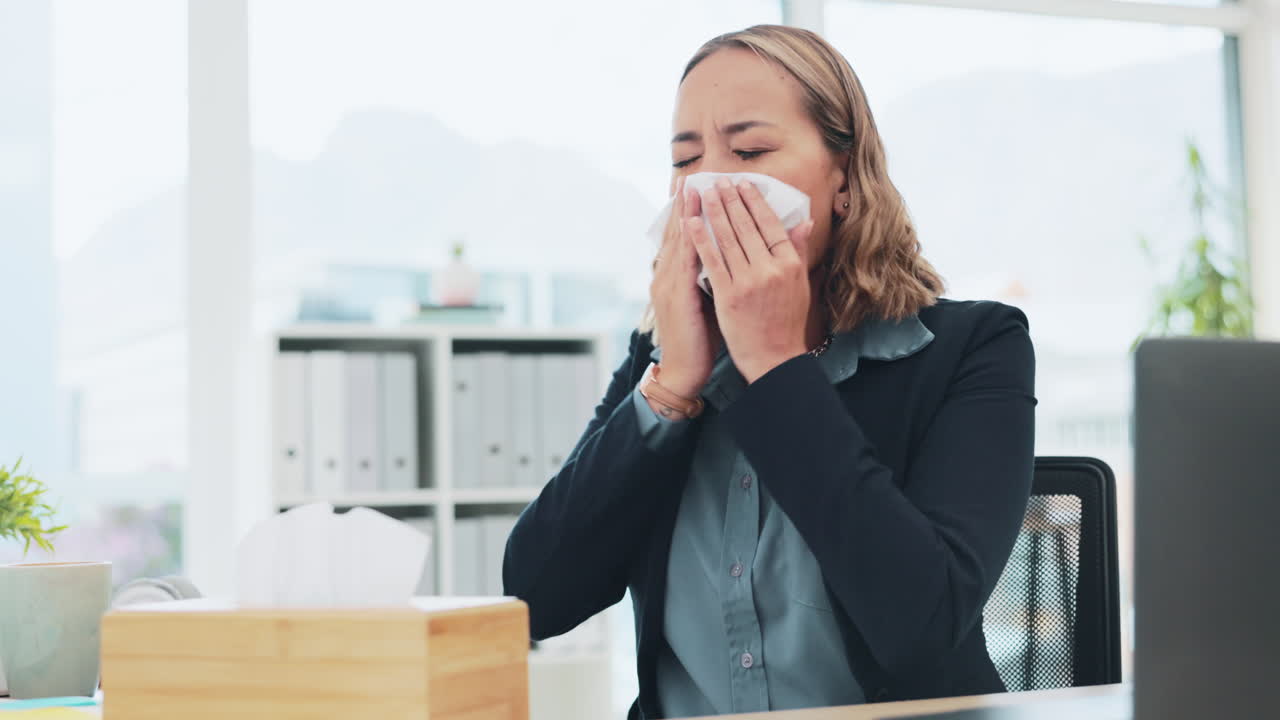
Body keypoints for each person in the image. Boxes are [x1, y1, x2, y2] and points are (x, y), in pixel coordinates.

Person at [503, 24, 1035, 720]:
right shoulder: (661, 358)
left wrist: (775, 364)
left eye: (750, 151)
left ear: (845, 178)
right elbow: (536, 598)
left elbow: (923, 626)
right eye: (686, 159)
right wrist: (672, 384)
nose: (710, 184)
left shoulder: (973, 347)